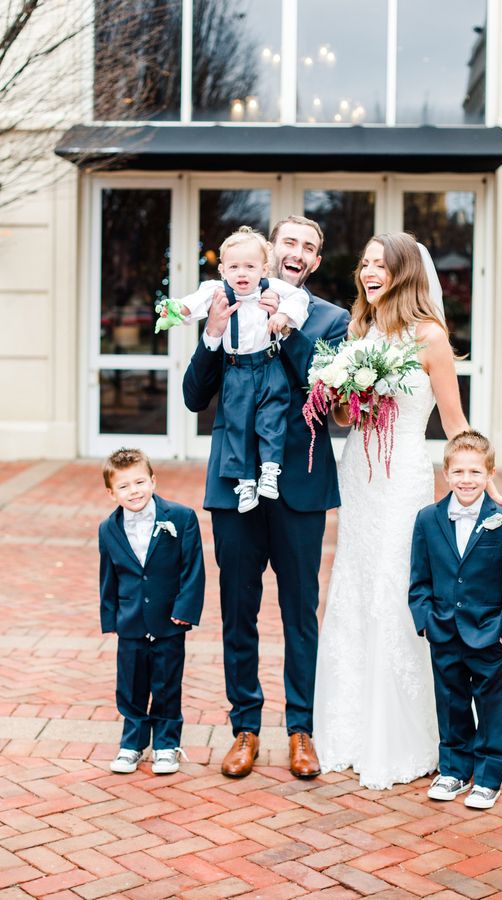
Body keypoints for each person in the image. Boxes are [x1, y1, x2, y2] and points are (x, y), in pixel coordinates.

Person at [313, 232, 502, 791]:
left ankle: (414, 734)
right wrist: (342, 392)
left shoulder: (429, 337)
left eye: (381, 265)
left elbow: (452, 418)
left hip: (401, 481)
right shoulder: (359, 332)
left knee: (401, 589)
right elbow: (347, 420)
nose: (369, 272)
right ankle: (350, 727)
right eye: (364, 264)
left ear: (403, 274)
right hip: (360, 477)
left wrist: (485, 482)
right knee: (355, 586)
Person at [182, 215, 349, 778]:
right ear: (271, 251)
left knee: (300, 614)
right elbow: (192, 397)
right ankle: (245, 729)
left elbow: (326, 399)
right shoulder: (225, 299)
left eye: (309, 246)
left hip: (299, 488)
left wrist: (285, 331)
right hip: (234, 487)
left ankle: (301, 730)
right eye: (289, 243)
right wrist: (212, 332)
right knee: (238, 612)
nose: (297, 252)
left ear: (316, 261)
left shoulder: (331, 319)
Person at [409, 431, 502, 809]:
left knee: (492, 705)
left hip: (489, 634)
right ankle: (454, 770)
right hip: (443, 630)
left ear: (489, 474)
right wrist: (425, 620)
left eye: (475, 472)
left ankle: (489, 776)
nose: (466, 479)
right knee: (450, 702)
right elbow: (419, 578)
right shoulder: (428, 519)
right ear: (445, 472)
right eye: (459, 471)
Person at [158, 226, 309, 513]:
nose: (242, 273)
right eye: (234, 266)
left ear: (264, 269)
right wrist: (175, 310)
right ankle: (245, 483)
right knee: (237, 424)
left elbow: (299, 299)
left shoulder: (273, 289)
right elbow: (191, 304)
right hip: (237, 369)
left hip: (268, 365)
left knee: (272, 417)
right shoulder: (216, 291)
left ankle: (270, 471)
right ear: (223, 270)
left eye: (250, 267)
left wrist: (282, 315)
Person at [99, 447, 205, 775]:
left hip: (169, 620)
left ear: (153, 480)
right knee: (130, 686)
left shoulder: (181, 518)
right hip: (130, 622)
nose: (134, 491)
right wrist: (111, 618)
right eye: (124, 486)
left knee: (166, 684)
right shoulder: (108, 528)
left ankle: (166, 744)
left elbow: (193, 568)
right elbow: (108, 576)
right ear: (111, 492)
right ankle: (132, 744)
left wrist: (185, 609)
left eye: (140, 482)